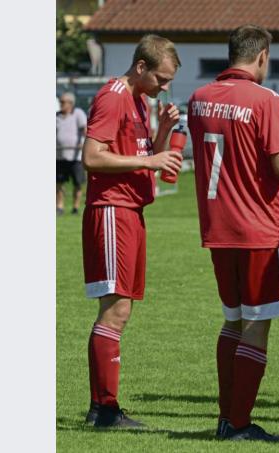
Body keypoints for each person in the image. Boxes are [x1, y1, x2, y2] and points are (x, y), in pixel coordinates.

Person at [187, 25, 279, 443]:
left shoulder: (198, 98)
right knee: (257, 325)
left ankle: (227, 416)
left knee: (233, 321)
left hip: (217, 227)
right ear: (262, 56)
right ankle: (238, 423)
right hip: (258, 230)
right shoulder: (266, 99)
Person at [81, 34, 182, 428]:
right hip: (111, 209)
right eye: (161, 78)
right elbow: (92, 156)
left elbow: (140, 158)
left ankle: (101, 408)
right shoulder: (114, 95)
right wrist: (154, 157)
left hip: (130, 210)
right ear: (141, 67)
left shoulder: (139, 99)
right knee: (115, 308)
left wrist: (161, 136)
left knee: (122, 307)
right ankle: (105, 409)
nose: (165, 86)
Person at [56, 92, 88, 215]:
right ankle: (59, 206)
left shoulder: (78, 113)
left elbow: (85, 130)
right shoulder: (56, 116)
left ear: (70, 103)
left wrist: (85, 143)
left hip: (75, 156)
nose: (61, 104)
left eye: (63, 102)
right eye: (60, 102)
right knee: (59, 183)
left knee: (78, 184)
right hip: (59, 156)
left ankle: (75, 207)